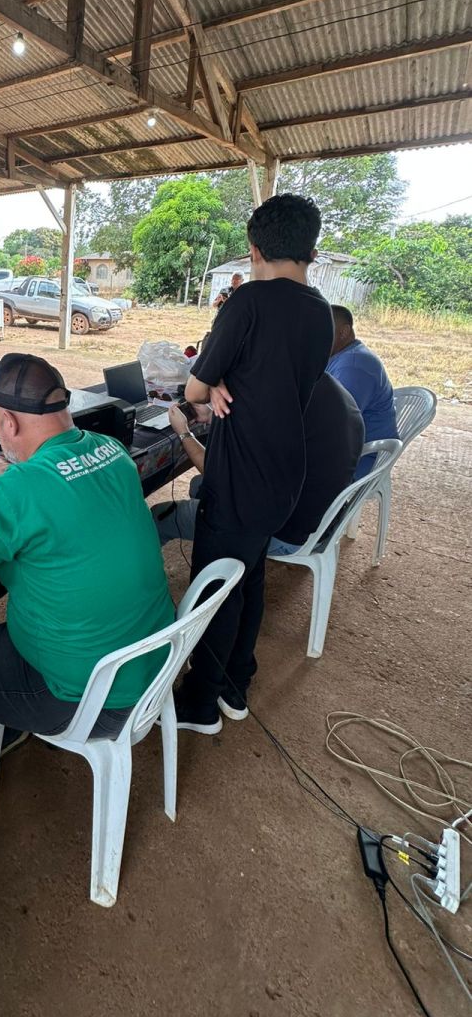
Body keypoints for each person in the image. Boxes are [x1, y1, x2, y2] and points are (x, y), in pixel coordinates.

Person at [0, 353, 175, 773]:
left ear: (9, 425)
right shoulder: (110, 449)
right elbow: (62, 492)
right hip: (154, 666)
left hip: (88, 698)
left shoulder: (19, 490)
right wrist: (19, 475)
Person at [175, 194, 334, 733]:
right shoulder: (320, 312)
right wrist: (227, 378)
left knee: (215, 589)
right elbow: (271, 375)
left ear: (254, 248)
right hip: (285, 472)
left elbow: (194, 387)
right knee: (249, 576)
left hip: (239, 475)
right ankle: (236, 686)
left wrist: (214, 379)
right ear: (309, 249)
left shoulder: (249, 301)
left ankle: (199, 705)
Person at [154, 373, 364, 556]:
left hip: (285, 535)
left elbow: (219, 476)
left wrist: (184, 432)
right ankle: (216, 544)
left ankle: (146, 595)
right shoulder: (326, 386)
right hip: (322, 521)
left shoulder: (267, 404)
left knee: (157, 517)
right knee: (198, 486)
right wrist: (212, 415)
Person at [327, 305, 398, 478]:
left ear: (343, 333)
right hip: (347, 451)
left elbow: (335, 424)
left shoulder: (353, 365)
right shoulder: (341, 356)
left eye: (322, 330)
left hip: (361, 460)